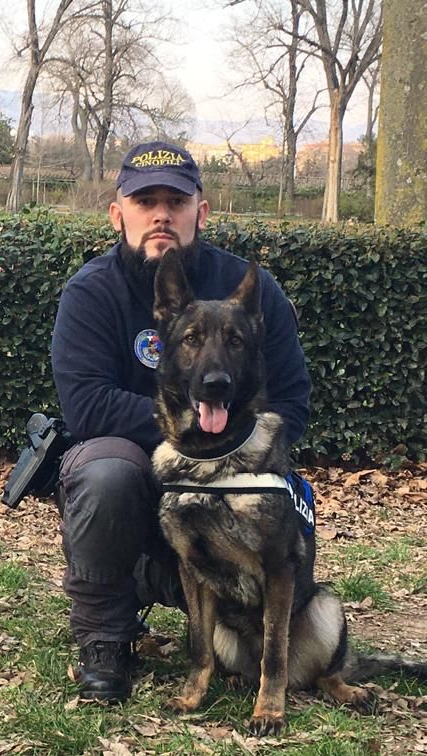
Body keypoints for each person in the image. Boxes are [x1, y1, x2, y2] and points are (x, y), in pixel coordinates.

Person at [50, 141, 311, 702]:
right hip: (135, 474)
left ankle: (243, 631)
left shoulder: (252, 288)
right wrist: (193, 433)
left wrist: (234, 455)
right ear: (117, 213)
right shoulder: (91, 292)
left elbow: (291, 401)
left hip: (234, 478)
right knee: (105, 473)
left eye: (176, 201)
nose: (161, 214)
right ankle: (104, 638)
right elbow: (88, 407)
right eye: (145, 201)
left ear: (202, 211)